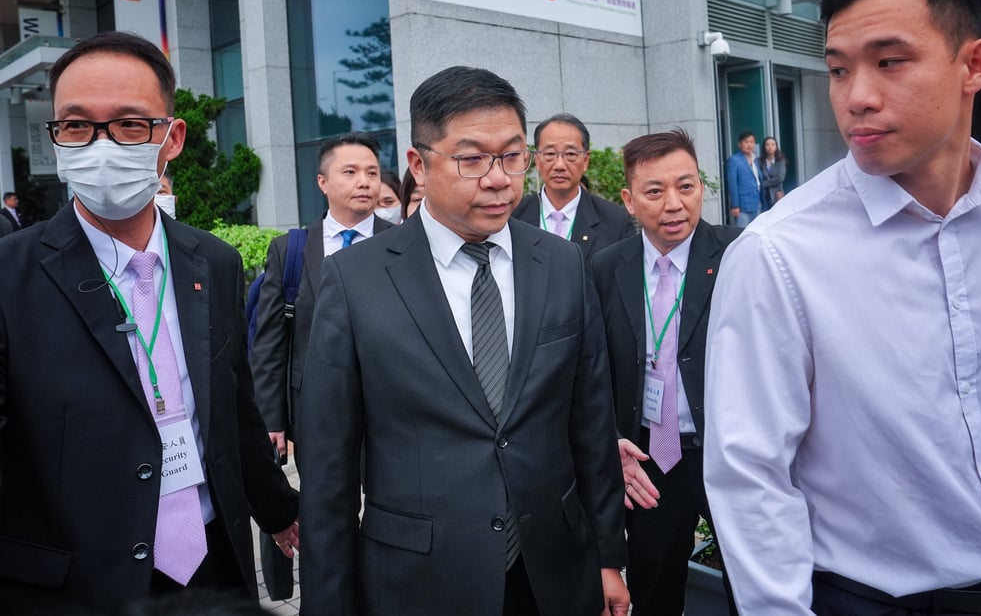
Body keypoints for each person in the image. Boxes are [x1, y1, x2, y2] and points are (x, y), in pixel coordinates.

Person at [703, 0, 981, 615]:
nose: (857, 97)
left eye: (890, 61)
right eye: (838, 69)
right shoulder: (777, 255)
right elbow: (752, 480)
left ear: (975, 64)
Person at [298, 65, 629, 616]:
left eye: (513, 156)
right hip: (418, 579)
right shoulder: (354, 280)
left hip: (552, 569)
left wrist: (608, 557)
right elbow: (328, 467)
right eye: (471, 159)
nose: (499, 178)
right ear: (418, 164)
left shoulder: (562, 263)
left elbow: (591, 423)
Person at [0, 32, 299, 612]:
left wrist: (280, 508)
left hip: (215, 562)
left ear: (172, 138)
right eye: (77, 125)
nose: (102, 145)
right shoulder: (10, 274)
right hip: (77, 580)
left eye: (131, 125)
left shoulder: (213, 261)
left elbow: (233, 404)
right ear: (56, 138)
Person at [591, 129, 740, 616]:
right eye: (655, 191)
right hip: (650, 457)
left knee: (750, 583)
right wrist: (611, 439)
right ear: (629, 201)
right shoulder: (605, 267)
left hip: (731, 453)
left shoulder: (740, 254)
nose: (674, 204)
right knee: (655, 586)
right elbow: (594, 370)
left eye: (687, 186)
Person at [251, 132, 393, 468]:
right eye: (350, 172)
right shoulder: (291, 250)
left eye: (372, 173)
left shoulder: (400, 243)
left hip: (389, 413)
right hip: (314, 412)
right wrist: (272, 419)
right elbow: (270, 343)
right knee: (323, 511)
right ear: (322, 182)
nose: (364, 182)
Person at [512, 113, 634, 261]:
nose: (559, 165)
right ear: (537, 160)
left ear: (586, 160)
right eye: (550, 153)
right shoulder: (514, 215)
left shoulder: (616, 221)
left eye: (570, 154)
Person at [724, 131, 762, 227]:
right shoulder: (734, 160)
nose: (749, 145)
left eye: (752, 142)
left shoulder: (755, 160)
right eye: (746, 142)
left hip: (757, 203)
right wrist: (735, 205)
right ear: (740, 144)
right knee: (741, 234)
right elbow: (732, 184)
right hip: (743, 206)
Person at [758, 136, 787, 210]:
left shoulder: (780, 161)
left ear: (776, 147)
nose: (770, 147)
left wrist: (763, 184)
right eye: (767, 145)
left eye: (772, 144)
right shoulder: (759, 161)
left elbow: (780, 178)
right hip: (763, 195)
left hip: (776, 194)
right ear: (764, 147)